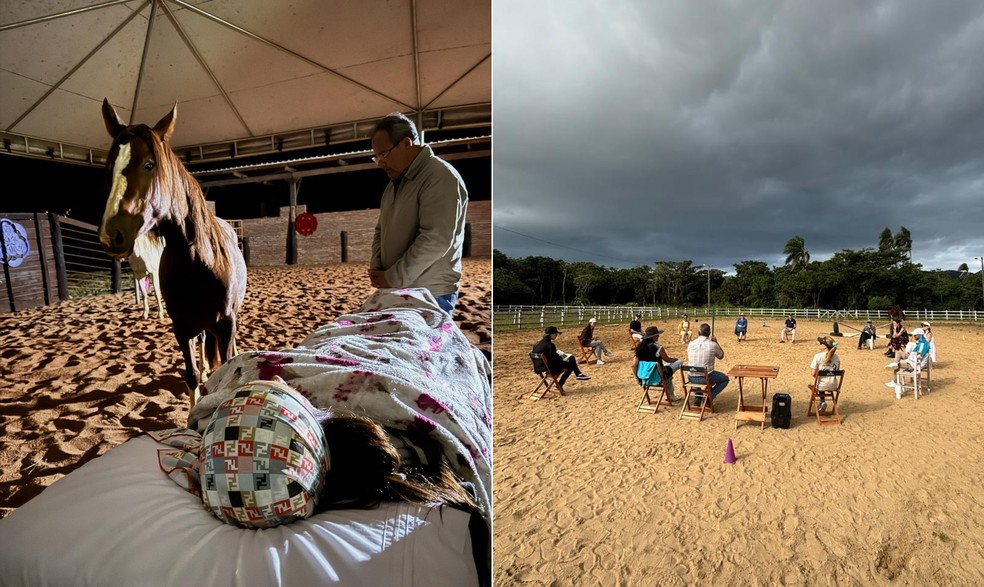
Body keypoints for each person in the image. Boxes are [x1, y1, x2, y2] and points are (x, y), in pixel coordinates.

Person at [147, 288, 492, 578]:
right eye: (278, 390)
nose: (277, 379)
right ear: (310, 419)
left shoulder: (310, 461)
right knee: (410, 306)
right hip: (389, 336)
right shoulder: (383, 435)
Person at [368, 112, 468, 316]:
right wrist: (377, 266)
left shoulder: (440, 177)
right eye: (376, 157)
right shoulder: (394, 184)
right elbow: (381, 229)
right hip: (395, 288)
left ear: (406, 143)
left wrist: (393, 277)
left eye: (384, 155)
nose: (380, 163)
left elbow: (436, 239)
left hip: (430, 293)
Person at [633, 326, 684, 401]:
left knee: (666, 371)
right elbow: (667, 359)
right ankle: (670, 394)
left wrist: (638, 379)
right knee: (680, 362)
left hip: (644, 376)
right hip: (657, 376)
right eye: (657, 335)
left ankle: (670, 390)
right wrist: (677, 359)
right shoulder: (658, 347)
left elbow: (634, 365)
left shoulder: (639, 348)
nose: (658, 336)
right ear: (653, 337)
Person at [686, 323, 729, 404]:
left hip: (691, 376)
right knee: (725, 379)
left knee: (696, 369)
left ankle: (698, 395)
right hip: (705, 377)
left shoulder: (691, 344)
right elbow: (721, 356)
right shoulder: (712, 345)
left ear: (698, 332)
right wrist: (716, 343)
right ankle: (710, 396)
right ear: (709, 334)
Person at [810, 336, 842, 412]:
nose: (819, 344)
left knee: (819, 382)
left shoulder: (818, 356)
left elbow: (813, 373)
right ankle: (822, 401)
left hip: (822, 385)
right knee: (822, 381)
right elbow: (837, 370)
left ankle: (822, 401)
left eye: (821, 343)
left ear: (824, 346)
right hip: (834, 385)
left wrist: (817, 375)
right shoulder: (837, 357)